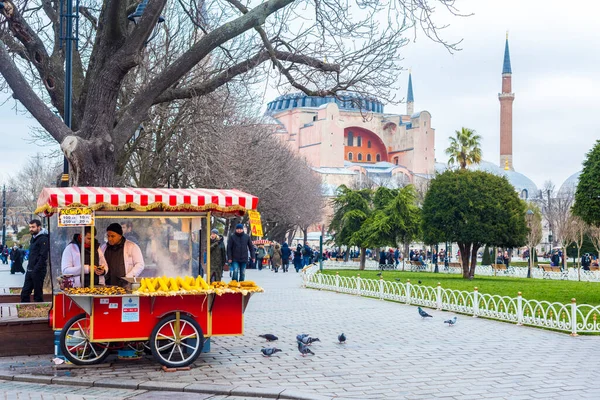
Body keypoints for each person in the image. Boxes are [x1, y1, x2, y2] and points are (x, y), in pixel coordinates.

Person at [101, 223, 145, 288]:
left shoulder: (132, 246)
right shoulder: (104, 247)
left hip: (125, 285)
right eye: (108, 236)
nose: (109, 239)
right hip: (107, 284)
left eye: (113, 236)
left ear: (120, 236)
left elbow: (140, 264)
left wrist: (128, 277)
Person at [20, 220, 49, 302]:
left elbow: (43, 256)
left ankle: (39, 310)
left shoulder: (43, 239)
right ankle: (26, 309)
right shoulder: (33, 238)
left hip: (38, 270)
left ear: (39, 227)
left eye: (33, 227)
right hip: (30, 269)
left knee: (38, 294)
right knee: (24, 293)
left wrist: (36, 269)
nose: (31, 229)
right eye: (30, 227)